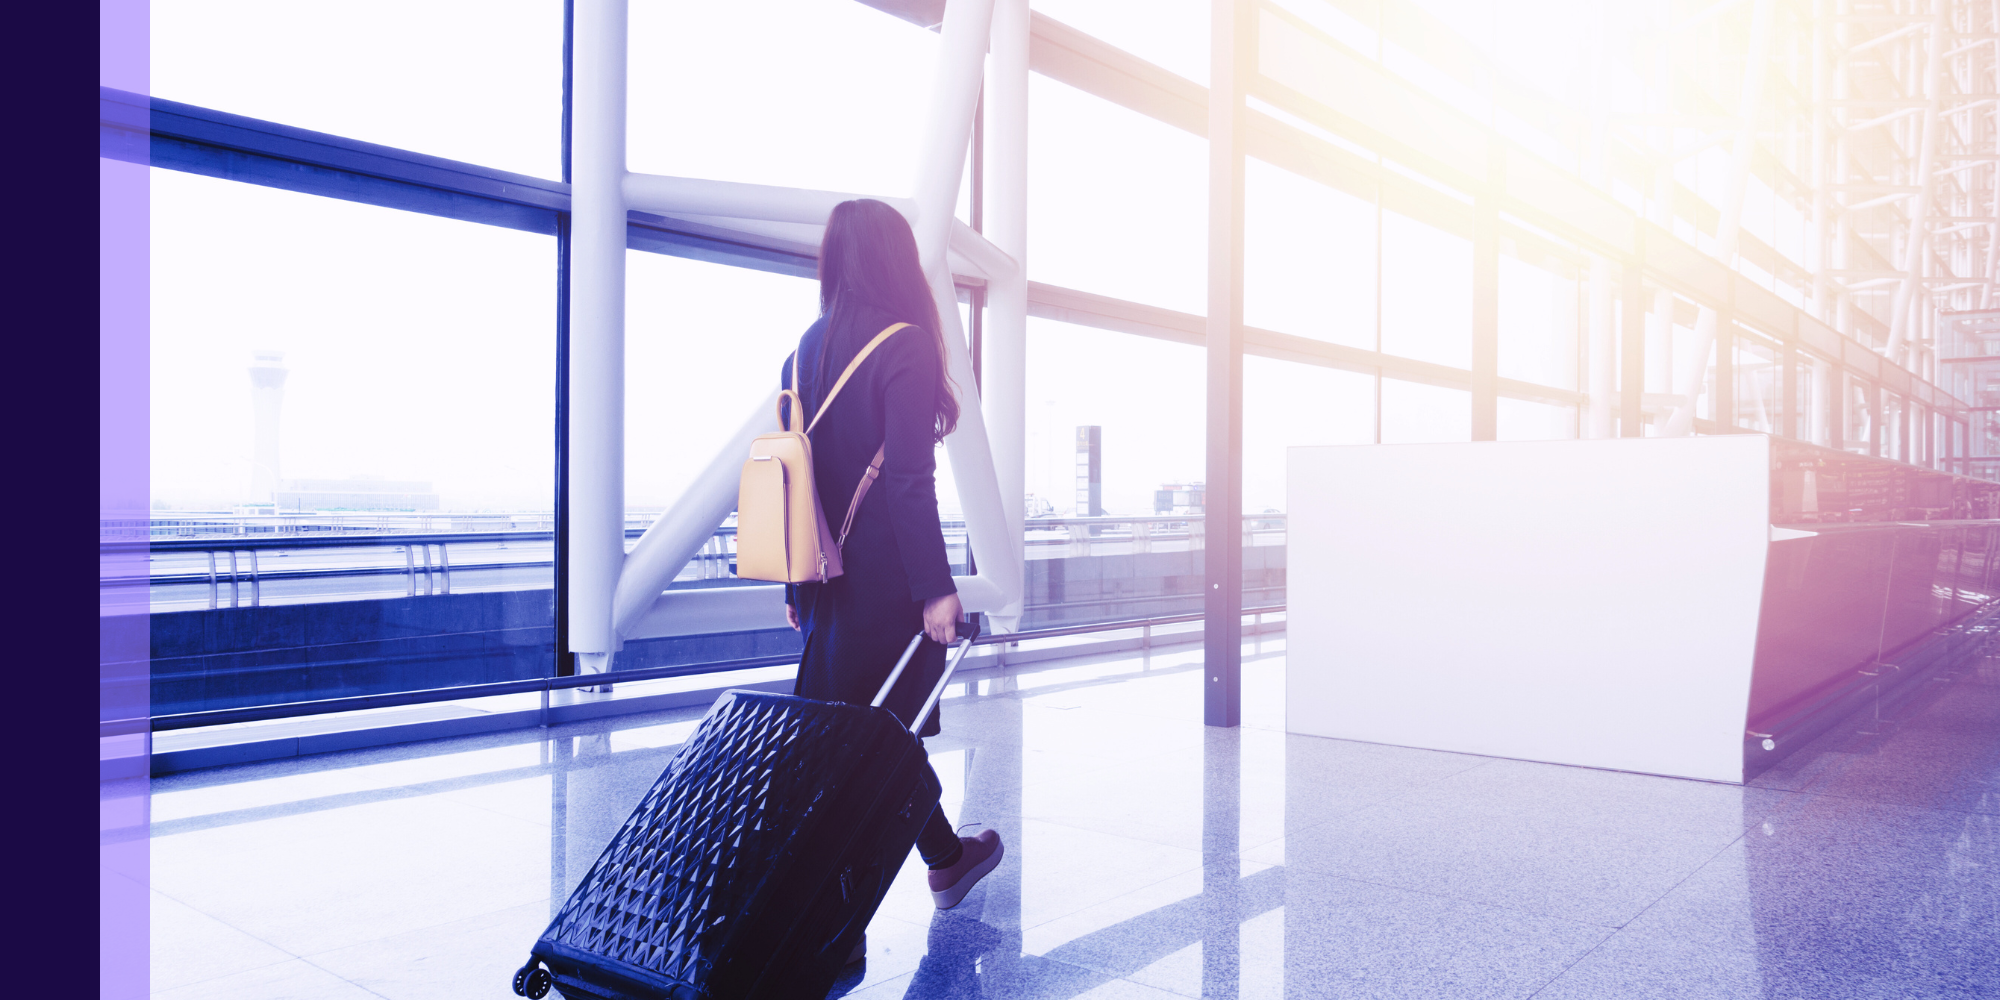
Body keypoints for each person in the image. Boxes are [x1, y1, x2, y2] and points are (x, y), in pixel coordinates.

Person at [780, 199, 1005, 944]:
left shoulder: (801, 353)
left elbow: (795, 488)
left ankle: (942, 862)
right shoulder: (904, 345)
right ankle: (843, 909)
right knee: (879, 741)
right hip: (884, 586)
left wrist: (796, 586)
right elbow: (909, 478)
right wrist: (936, 591)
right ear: (894, 260)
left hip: (824, 584)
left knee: (863, 738)